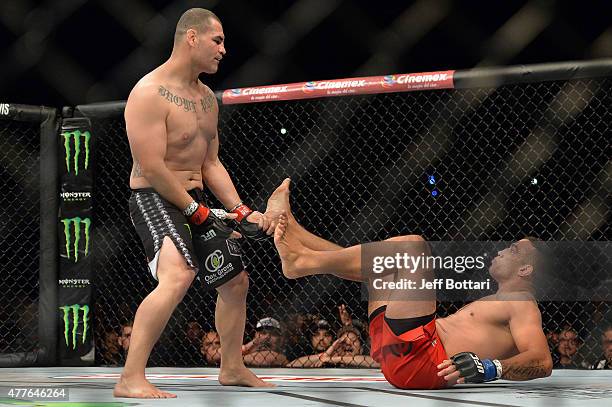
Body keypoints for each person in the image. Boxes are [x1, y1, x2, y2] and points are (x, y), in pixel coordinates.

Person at [114, 8, 274, 398]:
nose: (224, 49)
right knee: (178, 274)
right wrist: (193, 210)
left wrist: (240, 209)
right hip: (155, 197)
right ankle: (130, 377)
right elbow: (151, 167)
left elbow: (211, 163)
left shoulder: (206, 100)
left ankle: (232, 367)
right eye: (217, 41)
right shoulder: (149, 92)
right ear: (191, 38)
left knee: (236, 282)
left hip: (196, 199)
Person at [265, 178, 553, 389]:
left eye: (514, 250)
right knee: (382, 266)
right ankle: (295, 233)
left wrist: (490, 367)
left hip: (426, 362)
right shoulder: (498, 302)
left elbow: (542, 361)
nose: (503, 250)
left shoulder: (522, 304)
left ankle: (301, 260)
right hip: (401, 349)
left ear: (526, 269)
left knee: (414, 247)